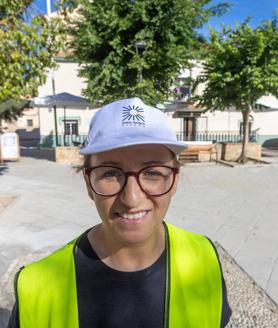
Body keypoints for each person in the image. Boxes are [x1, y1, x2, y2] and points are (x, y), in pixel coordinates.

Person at [8, 97, 231, 327]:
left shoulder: (205, 260)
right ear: (88, 183)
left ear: (174, 180)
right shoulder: (37, 287)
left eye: (152, 172)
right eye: (110, 174)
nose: (131, 198)